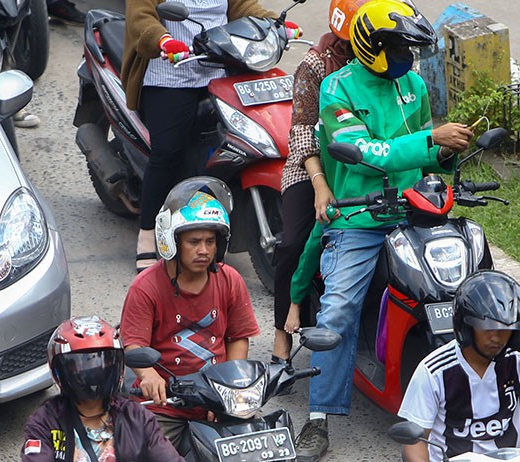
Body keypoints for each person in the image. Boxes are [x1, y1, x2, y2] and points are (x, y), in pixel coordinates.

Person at [294, 1, 477, 460]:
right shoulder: (337, 88)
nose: (407, 59)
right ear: (371, 46)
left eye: (410, 50)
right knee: (337, 311)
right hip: (360, 218)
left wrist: (447, 151)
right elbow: (366, 149)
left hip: (416, 211)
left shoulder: (413, 85)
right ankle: (319, 417)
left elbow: (421, 155)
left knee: (475, 289)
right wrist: (431, 140)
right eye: (399, 48)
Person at [121, 0, 282, 273]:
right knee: (167, 151)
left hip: (219, 66)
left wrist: (275, 25)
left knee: (239, 144)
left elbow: (243, 7)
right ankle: (147, 230)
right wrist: (163, 40)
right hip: (170, 72)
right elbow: (141, 18)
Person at [119, 176, 261, 453]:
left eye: (210, 241)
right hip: (164, 405)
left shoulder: (230, 280)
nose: (204, 250)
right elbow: (134, 344)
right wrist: (148, 376)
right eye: (194, 241)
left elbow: (238, 338)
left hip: (216, 398)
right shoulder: (145, 287)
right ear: (171, 241)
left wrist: (228, 392)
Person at [271, 0, 368, 365]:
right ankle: (282, 335)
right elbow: (301, 132)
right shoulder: (315, 65)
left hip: (366, 167)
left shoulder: (391, 59)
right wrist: (320, 184)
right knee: (295, 242)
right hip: (312, 166)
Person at [397, 271, 520, 461]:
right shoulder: (434, 371)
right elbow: (415, 442)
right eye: (487, 329)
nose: (496, 338)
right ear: (466, 327)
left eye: (505, 330)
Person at [22, 315, 183, 461]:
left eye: (101, 363)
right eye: (82, 365)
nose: (93, 373)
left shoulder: (136, 417)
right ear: (60, 370)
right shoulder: (46, 422)